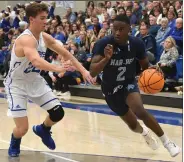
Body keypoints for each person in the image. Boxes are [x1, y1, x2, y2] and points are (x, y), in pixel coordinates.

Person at [4, 2, 95, 157]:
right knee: (22, 129)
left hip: (35, 81)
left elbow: (67, 54)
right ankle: (15, 140)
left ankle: (43, 129)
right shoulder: (26, 39)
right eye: (43, 18)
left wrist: (84, 70)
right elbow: (36, 61)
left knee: (58, 113)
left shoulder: (44, 38)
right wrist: (59, 68)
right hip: (17, 85)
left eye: (47, 17)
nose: (46, 21)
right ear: (32, 19)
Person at [90, 14, 180, 157]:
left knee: (139, 110)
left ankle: (168, 142)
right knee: (133, 125)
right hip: (110, 90)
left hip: (128, 83)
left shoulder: (137, 44)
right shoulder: (104, 44)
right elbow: (93, 71)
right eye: (115, 29)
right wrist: (106, 59)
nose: (117, 32)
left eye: (121, 29)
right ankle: (144, 132)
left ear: (129, 29)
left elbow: (145, 66)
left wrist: (152, 69)